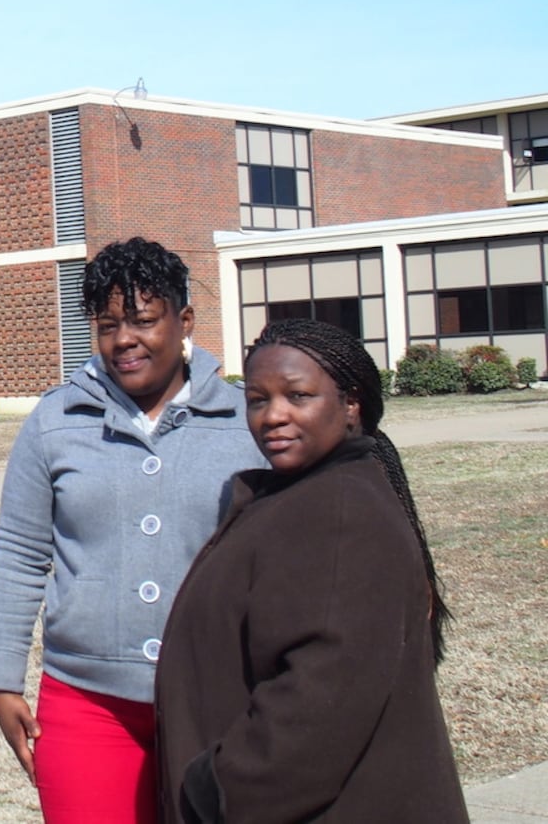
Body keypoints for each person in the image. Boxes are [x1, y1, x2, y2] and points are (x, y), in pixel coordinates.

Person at [0, 237, 266, 823]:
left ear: (183, 321)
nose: (123, 340)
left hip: (219, 697)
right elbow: (20, 554)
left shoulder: (247, 422)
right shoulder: (56, 420)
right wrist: (1, 679)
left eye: (142, 320)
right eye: (107, 325)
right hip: (87, 703)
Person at [155, 318, 466, 823]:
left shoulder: (341, 512)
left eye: (298, 396)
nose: (273, 415)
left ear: (351, 405)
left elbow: (322, 699)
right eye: (257, 399)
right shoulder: (300, 495)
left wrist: (218, 787)